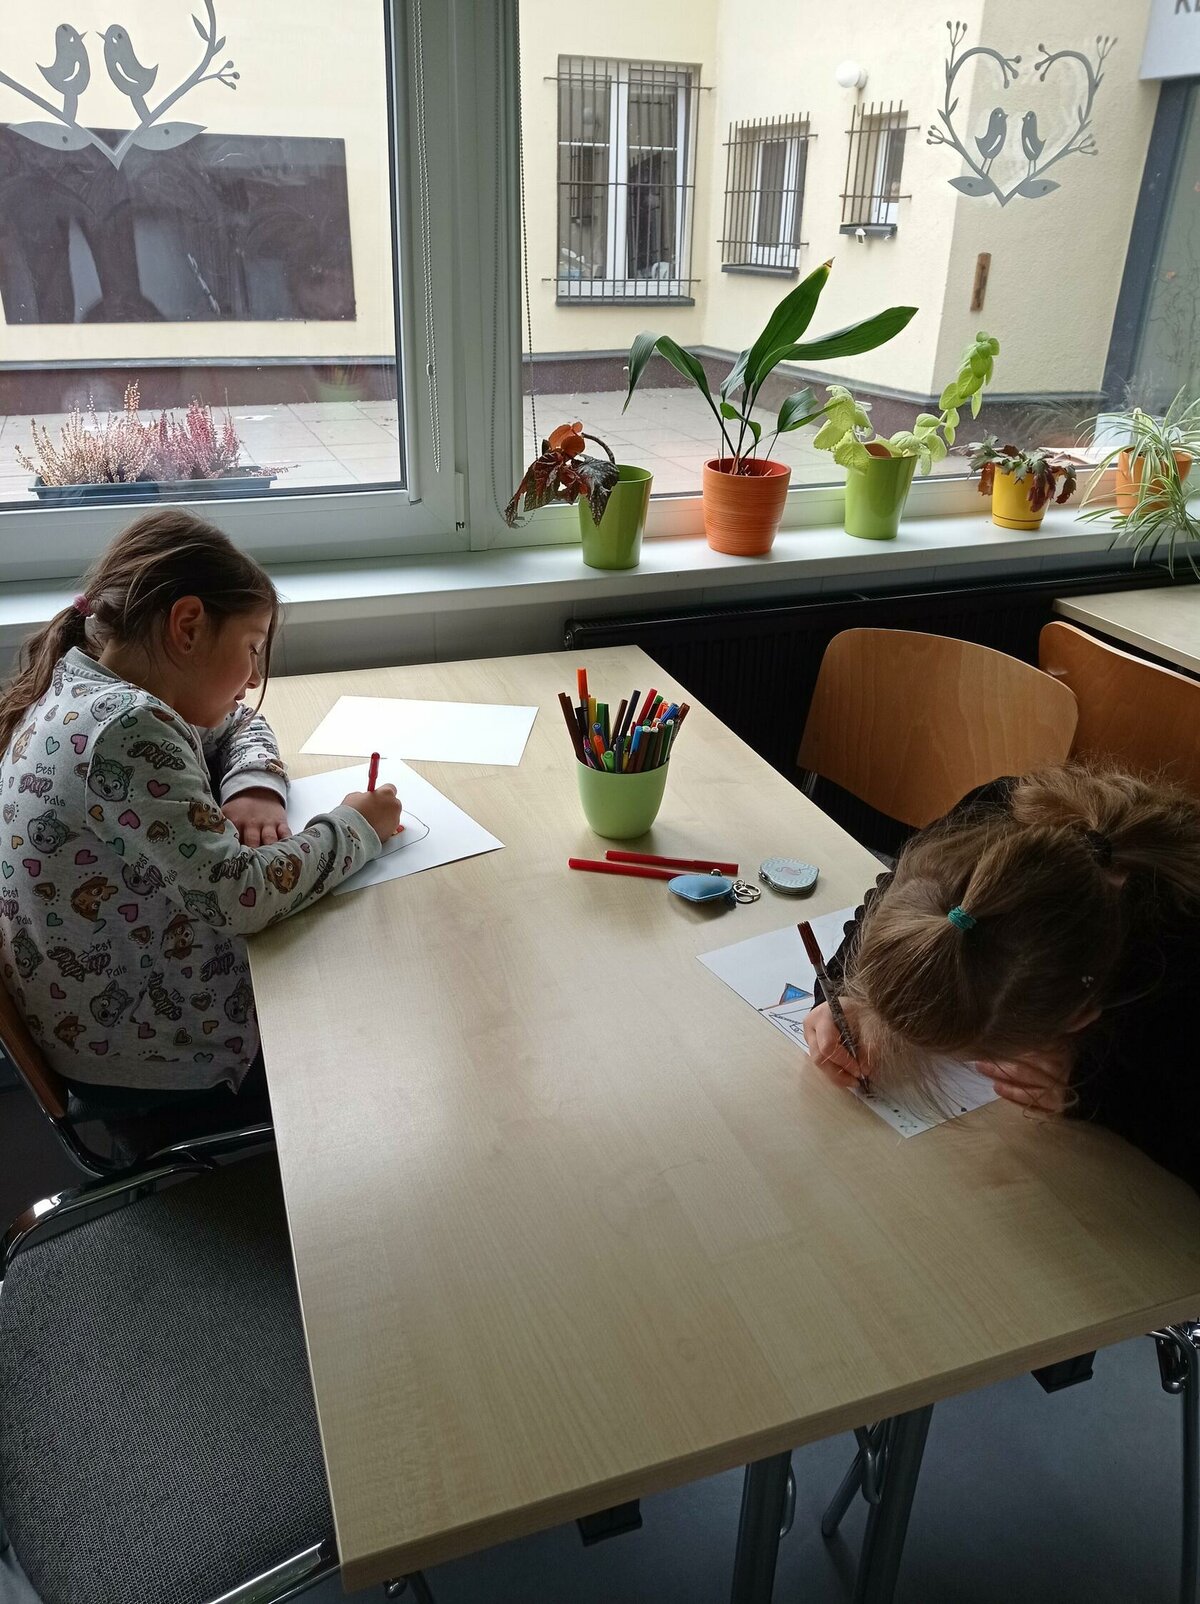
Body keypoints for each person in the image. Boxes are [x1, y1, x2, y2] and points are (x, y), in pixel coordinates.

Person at [0, 509, 401, 1125]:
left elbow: (239, 722)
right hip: (159, 1061)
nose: (254, 677)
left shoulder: (90, 685)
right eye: (251, 648)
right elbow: (240, 895)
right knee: (379, 1018)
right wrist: (357, 826)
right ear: (187, 626)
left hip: (109, 1030)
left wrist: (253, 784)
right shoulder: (126, 729)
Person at [803, 765, 1200, 1191]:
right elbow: (898, 899)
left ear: (1079, 1016)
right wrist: (846, 990)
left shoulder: (1179, 971)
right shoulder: (991, 814)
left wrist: (1094, 1090)